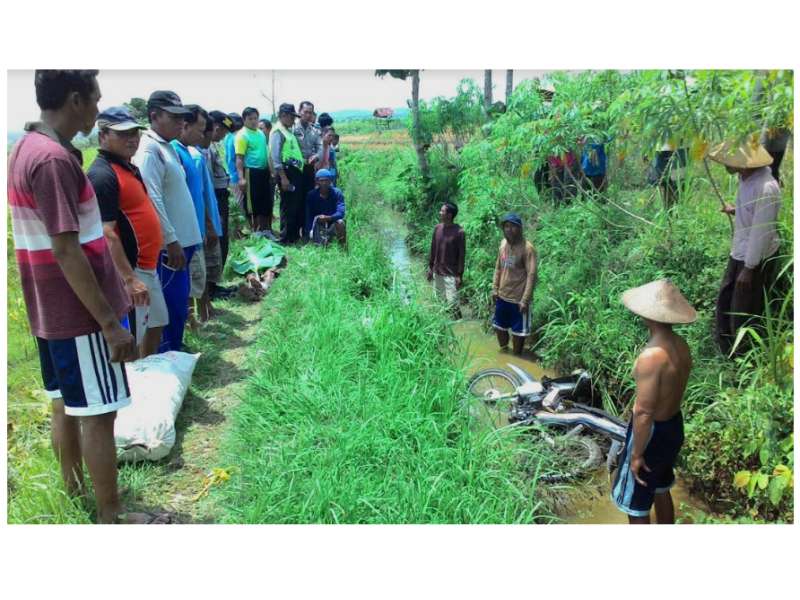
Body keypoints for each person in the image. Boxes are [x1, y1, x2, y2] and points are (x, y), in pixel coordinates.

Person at [8, 70, 167, 524]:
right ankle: (110, 514)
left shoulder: (25, 148)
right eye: (96, 100)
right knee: (99, 414)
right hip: (79, 315)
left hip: (50, 312)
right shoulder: (53, 160)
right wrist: (109, 322)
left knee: (66, 402)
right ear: (76, 100)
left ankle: (74, 490)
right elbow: (65, 248)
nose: (98, 109)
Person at [611, 279, 696, 524]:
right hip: (673, 427)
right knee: (660, 487)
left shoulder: (652, 356)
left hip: (652, 433)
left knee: (635, 503)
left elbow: (644, 412)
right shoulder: (682, 346)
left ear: (649, 315)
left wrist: (637, 454)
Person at [87, 106, 166, 358]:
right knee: (135, 333)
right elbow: (106, 233)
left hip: (147, 266)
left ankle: (146, 374)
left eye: (134, 132)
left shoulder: (128, 167)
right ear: (102, 136)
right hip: (132, 270)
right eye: (122, 134)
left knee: (156, 324)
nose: (131, 138)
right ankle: (136, 383)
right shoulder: (102, 175)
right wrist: (129, 279)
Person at [133, 90, 201, 353]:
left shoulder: (166, 147)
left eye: (182, 117)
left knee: (178, 302)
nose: (180, 123)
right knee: (170, 305)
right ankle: (167, 357)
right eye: (173, 117)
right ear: (154, 116)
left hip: (182, 242)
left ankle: (175, 353)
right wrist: (170, 239)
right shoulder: (149, 149)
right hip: (170, 247)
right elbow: (152, 198)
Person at [708, 141, 782, 356]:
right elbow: (753, 213)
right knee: (725, 301)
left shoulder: (766, 188)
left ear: (745, 163)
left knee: (743, 310)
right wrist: (735, 210)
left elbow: (762, 232)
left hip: (754, 257)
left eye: (730, 161)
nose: (725, 164)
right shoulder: (746, 178)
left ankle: (742, 358)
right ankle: (725, 350)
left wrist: (749, 269)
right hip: (740, 251)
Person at [169, 105, 214, 330]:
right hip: (182, 233)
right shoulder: (174, 152)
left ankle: (195, 320)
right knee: (186, 282)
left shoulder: (189, 151)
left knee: (196, 277)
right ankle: (190, 324)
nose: (202, 134)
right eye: (201, 128)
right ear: (185, 126)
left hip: (195, 229)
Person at [491, 213, 537, 355]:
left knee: (519, 335)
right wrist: (494, 288)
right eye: (506, 226)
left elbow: (531, 275)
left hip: (519, 301)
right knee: (499, 328)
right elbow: (498, 267)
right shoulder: (503, 244)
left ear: (520, 228)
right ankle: (504, 356)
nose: (509, 230)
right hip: (502, 297)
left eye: (513, 226)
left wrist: (525, 299)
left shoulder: (527, 249)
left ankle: (516, 358)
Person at [194, 113, 224, 322]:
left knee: (206, 268)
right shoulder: (194, 155)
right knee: (199, 271)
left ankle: (206, 306)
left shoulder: (203, 152)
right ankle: (201, 312)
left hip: (208, 218)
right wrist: (208, 223)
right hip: (200, 224)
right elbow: (198, 194)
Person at [208, 111, 236, 298]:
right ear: (216, 127)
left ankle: (215, 285)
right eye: (223, 131)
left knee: (223, 240)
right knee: (217, 242)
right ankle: (211, 289)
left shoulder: (212, 146)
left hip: (220, 196)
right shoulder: (205, 150)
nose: (223, 135)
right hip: (215, 199)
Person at [269, 103, 305, 244]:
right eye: (291, 117)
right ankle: (285, 237)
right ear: (283, 115)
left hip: (294, 171)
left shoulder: (287, 131)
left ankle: (293, 235)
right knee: (288, 205)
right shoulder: (278, 131)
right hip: (286, 172)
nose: (293, 120)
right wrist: (283, 178)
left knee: (294, 204)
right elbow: (276, 156)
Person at [426, 202, 466, 317]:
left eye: (442, 211)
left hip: (451, 275)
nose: (440, 213)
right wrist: (430, 268)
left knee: (453, 304)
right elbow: (433, 249)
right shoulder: (437, 228)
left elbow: (461, 255)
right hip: (437, 272)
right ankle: (444, 328)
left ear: (449, 215)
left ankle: (459, 326)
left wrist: (459, 275)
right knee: (439, 304)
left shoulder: (459, 232)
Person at [235, 107, 271, 232]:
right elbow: (239, 158)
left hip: (264, 171)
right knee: (252, 204)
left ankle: (265, 231)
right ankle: (255, 231)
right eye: (250, 119)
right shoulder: (242, 135)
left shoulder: (260, 133)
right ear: (244, 120)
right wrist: (241, 178)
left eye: (256, 118)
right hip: (251, 172)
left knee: (265, 201)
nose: (254, 121)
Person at [293, 101, 323, 237]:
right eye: (305, 112)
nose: (308, 115)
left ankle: (307, 231)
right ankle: (294, 231)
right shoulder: (292, 129)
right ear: (299, 112)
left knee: (308, 199)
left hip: (309, 169)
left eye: (310, 112)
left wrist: (316, 156)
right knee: (296, 200)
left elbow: (320, 147)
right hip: (295, 169)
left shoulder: (315, 130)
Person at [305, 169, 346, 246]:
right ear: (317, 182)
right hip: (318, 223)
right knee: (320, 245)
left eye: (326, 180)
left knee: (341, 223)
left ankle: (342, 248)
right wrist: (309, 231)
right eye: (321, 181)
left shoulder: (337, 193)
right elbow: (309, 215)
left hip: (333, 221)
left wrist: (328, 218)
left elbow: (341, 212)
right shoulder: (311, 195)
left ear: (330, 181)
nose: (324, 183)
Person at [256, 118, 277, 236]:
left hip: (272, 176)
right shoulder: (260, 143)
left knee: (270, 202)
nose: (259, 131)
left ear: (269, 129)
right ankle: (262, 229)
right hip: (262, 176)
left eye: (261, 128)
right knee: (262, 203)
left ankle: (268, 229)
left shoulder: (272, 142)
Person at [224, 112, 243, 211]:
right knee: (243, 206)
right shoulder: (237, 137)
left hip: (232, 175)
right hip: (238, 176)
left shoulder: (228, 137)